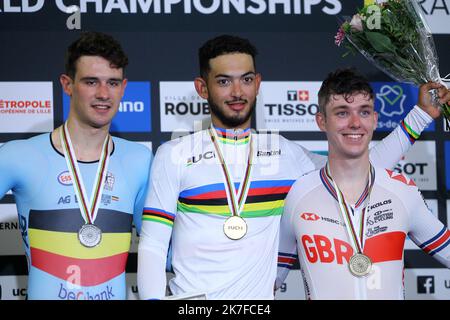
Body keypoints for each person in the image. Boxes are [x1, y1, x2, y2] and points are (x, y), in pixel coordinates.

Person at [137, 34, 440, 300]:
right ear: (202, 88)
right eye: (223, 81)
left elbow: (359, 168)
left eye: (246, 79)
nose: (237, 92)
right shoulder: (174, 154)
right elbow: (152, 244)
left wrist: (421, 115)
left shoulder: (284, 153)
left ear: (257, 83)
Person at [0, 32, 152, 300]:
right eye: (91, 82)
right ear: (67, 84)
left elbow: (158, 248)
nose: (104, 94)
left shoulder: (139, 159)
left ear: (124, 87)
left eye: (113, 83)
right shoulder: (18, 156)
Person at [276, 68, 450, 299]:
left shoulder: (401, 191)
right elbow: (266, 282)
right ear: (321, 121)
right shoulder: (298, 196)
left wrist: (421, 114)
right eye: (342, 113)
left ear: (375, 119)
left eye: (364, 112)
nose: (356, 123)